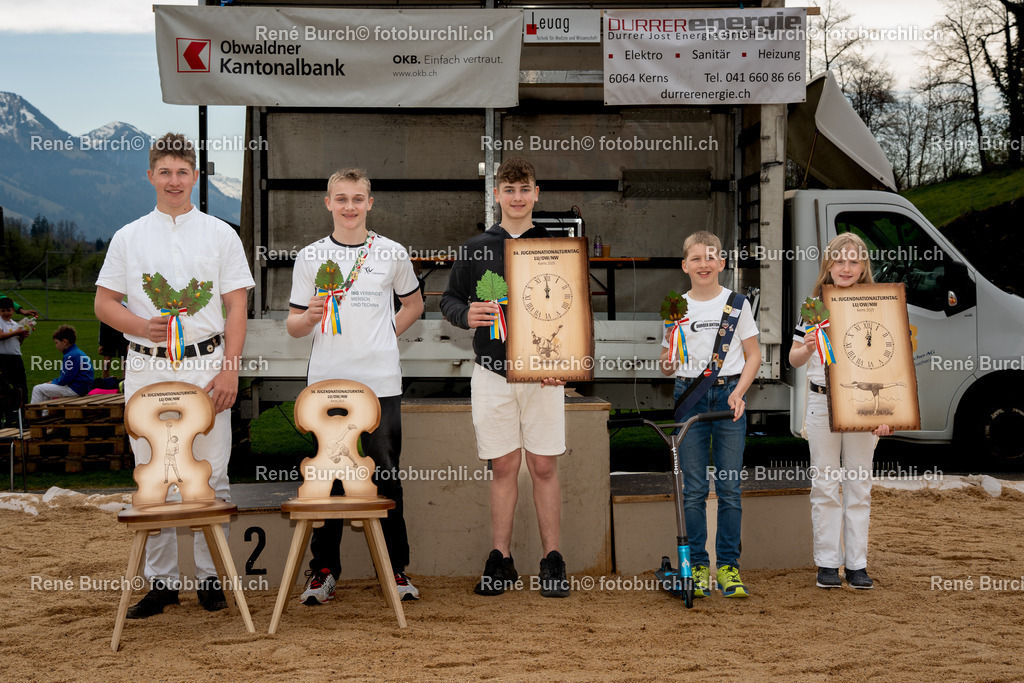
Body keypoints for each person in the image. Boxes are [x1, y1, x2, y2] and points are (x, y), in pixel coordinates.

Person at [95, 132, 254, 618]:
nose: (173, 181)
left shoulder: (221, 234)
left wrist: (230, 370)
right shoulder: (128, 236)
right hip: (146, 364)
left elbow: (237, 305)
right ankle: (162, 583)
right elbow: (103, 304)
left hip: (207, 365)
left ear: (195, 177)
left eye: (182, 172)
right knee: (153, 474)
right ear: (150, 176)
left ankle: (211, 578)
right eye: (164, 171)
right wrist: (141, 324)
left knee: (212, 470)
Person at [287, 168, 424, 604]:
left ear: (370, 203)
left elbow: (415, 304)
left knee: (386, 477)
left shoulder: (392, 252)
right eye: (341, 198)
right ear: (328, 203)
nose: (349, 206)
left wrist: (385, 337)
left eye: (357, 198)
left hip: (380, 385)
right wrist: (308, 318)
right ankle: (323, 572)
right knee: (328, 479)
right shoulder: (309, 257)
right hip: (325, 388)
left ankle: (396, 571)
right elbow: (292, 327)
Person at [440, 157, 571, 598]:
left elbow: (570, 311)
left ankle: (553, 560)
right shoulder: (475, 247)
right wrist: (466, 314)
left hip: (542, 376)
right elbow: (450, 301)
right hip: (492, 373)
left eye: (524, 189)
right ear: (496, 195)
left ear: (536, 194)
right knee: (504, 466)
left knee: (543, 465)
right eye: (508, 190)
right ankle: (501, 559)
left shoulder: (557, 247)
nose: (517, 198)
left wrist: (564, 361)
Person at [658, 231, 761, 599]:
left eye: (710, 257)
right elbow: (668, 363)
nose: (704, 264)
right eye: (696, 258)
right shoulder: (676, 306)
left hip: (729, 398)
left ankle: (728, 568)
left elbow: (754, 356)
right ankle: (698, 567)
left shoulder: (737, 303)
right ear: (685, 265)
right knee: (695, 490)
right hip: (689, 396)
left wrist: (738, 392)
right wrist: (667, 363)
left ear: (721, 263)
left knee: (730, 487)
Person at [789, 233, 891, 590]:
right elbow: (794, 358)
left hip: (863, 404)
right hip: (821, 403)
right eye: (839, 260)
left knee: (859, 486)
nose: (846, 268)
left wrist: (886, 413)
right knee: (825, 485)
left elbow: (888, 362)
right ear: (828, 265)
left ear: (863, 266)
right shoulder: (814, 305)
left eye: (853, 260)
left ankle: (857, 564)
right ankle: (827, 564)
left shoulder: (878, 304)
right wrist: (807, 346)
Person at [30, 325, 95, 404]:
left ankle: (32, 415)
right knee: (46, 388)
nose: (56, 346)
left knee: (37, 389)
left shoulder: (71, 356)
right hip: (82, 388)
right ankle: (45, 414)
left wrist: (53, 382)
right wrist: (53, 382)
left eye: (57, 343)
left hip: (75, 389)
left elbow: (65, 379)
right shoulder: (78, 352)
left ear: (65, 342)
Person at [0, 297, 31, 425]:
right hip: (2, 358)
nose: (6, 313)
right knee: (6, 389)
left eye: (8, 310)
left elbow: (17, 344)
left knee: (21, 388)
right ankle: (8, 416)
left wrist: (21, 335)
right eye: (3, 310)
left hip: (16, 358)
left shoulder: (14, 323)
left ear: (13, 310)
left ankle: (23, 415)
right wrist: (17, 332)